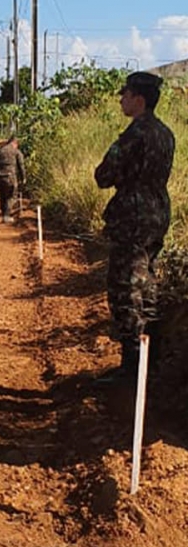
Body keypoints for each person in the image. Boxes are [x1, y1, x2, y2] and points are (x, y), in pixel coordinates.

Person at [94, 71, 175, 382]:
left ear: (138, 100)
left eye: (125, 94)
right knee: (147, 281)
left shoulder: (135, 134)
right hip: (157, 211)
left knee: (125, 287)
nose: (121, 99)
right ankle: (150, 356)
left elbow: (104, 176)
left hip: (134, 215)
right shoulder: (165, 133)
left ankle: (132, 364)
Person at [0, 135, 26, 223]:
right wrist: (23, 178)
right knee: (12, 196)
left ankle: (4, 215)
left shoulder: (0, 151)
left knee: (3, 196)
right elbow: (21, 166)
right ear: (16, 143)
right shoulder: (16, 152)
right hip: (10, 177)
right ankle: (6, 216)